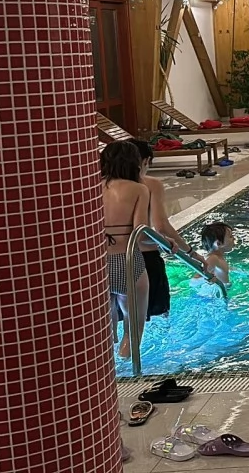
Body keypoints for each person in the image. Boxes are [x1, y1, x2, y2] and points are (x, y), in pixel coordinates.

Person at [131, 141, 207, 323]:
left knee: (123, 317)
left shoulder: (105, 185)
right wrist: (191, 253)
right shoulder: (150, 185)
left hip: (114, 258)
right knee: (159, 317)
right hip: (146, 258)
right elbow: (162, 227)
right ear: (145, 161)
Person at [100, 141, 150, 359]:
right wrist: (164, 242)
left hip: (98, 262)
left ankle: (108, 368)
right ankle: (129, 360)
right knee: (133, 328)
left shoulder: (92, 187)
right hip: (128, 260)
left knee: (104, 327)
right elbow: (141, 232)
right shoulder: (139, 189)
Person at [199, 222, 234, 288]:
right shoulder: (213, 258)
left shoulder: (218, 257)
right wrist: (207, 279)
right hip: (213, 294)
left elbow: (221, 269)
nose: (234, 239)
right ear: (219, 243)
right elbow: (193, 281)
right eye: (230, 236)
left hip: (223, 290)